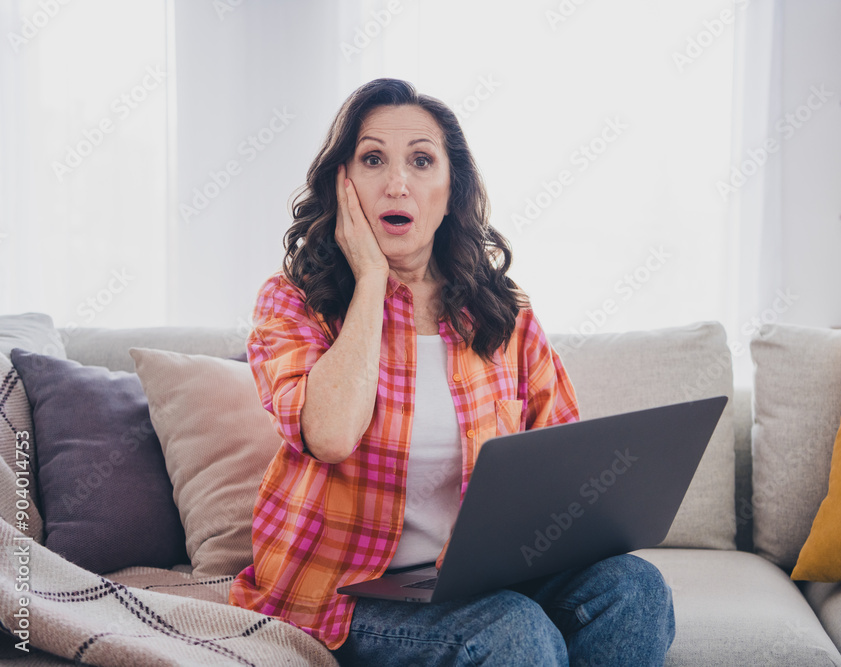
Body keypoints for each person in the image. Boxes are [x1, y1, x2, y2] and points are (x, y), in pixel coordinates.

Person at [228, 78, 674, 665]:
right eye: (372, 159)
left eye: (420, 160)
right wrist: (369, 283)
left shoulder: (501, 311)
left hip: (472, 583)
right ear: (343, 184)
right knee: (512, 632)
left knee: (635, 589)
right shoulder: (292, 302)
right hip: (344, 594)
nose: (396, 183)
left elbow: (564, 460)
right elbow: (330, 435)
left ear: (449, 188)